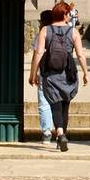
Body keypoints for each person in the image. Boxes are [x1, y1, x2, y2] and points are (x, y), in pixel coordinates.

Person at [30, 0, 89, 152]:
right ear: (64, 14)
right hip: (68, 73)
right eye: (68, 13)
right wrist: (85, 73)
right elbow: (81, 55)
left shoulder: (45, 30)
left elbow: (38, 53)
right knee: (65, 106)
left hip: (50, 74)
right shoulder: (73, 32)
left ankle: (60, 134)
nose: (69, 16)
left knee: (55, 104)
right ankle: (62, 135)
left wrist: (33, 74)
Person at [32, 9, 55, 144]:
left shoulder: (41, 34)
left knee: (44, 103)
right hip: (59, 73)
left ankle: (46, 132)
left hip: (44, 73)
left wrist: (33, 74)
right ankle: (60, 131)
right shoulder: (61, 33)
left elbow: (37, 55)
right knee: (57, 103)